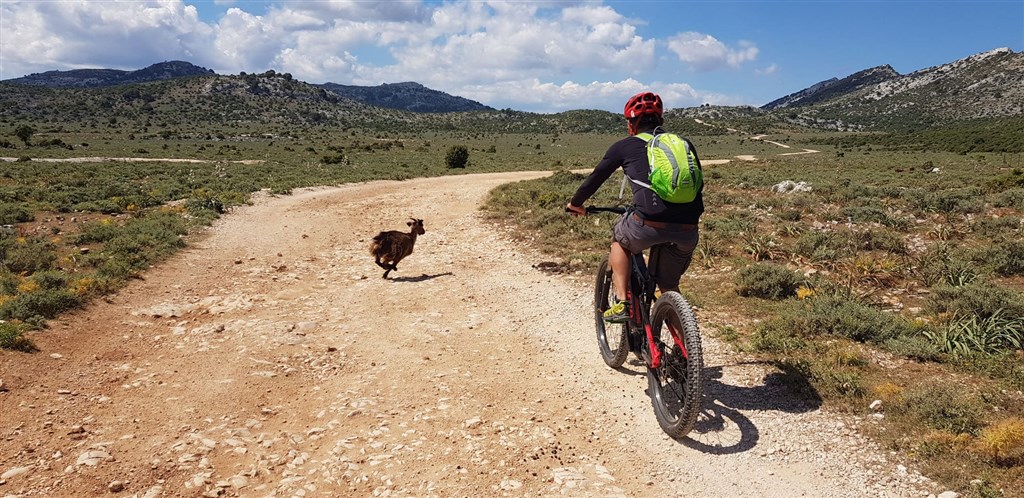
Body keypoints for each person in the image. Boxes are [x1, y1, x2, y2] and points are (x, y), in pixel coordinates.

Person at [566, 91, 703, 323]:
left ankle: (622, 302)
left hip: (647, 225)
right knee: (668, 285)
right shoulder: (683, 144)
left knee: (620, 239)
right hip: (688, 229)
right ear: (660, 121)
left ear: (631, 123)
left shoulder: (624, 146)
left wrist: (575, 204)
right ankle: (685, 352)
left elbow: (595, 178)